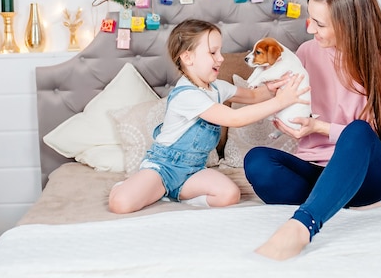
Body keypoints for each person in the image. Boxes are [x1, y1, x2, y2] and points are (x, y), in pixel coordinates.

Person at [244, 0, 381, 260]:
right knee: (258, 162)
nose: (310, 28)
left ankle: (302, 226)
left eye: (320, 23)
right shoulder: (306, 52)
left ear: (348, 25)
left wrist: (321, 127)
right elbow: (290, 96)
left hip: (373, 177)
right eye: (310, 18)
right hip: (319, 167)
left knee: (359, 131)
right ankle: (333, 193)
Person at [109, 19, 309, 214]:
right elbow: (234, 118)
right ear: (188, 58)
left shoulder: (218, 88)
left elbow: (254, 95)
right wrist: (281, 102)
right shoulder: (187, 95)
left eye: (220, 51)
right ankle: (143, 186)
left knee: (229, 195)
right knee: (121, 204)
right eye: (213, 52)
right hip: (163, 168)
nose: (221, 58)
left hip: (193, 170)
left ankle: (175, 194)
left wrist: (277, 86)